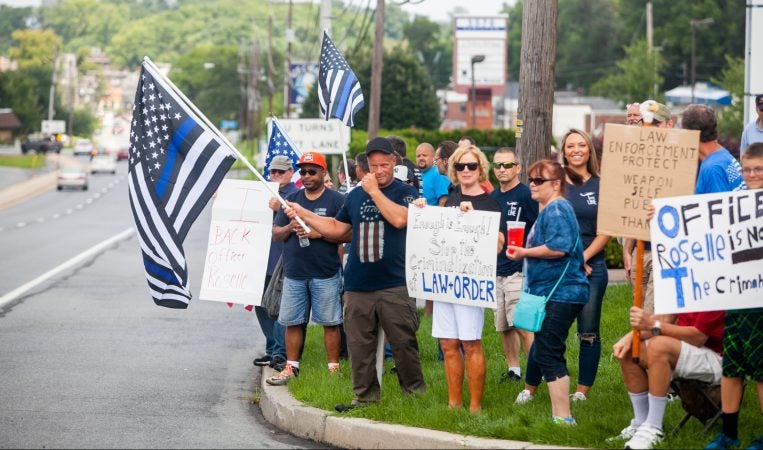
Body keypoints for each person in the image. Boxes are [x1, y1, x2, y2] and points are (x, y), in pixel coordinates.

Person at [609, 104, 740, 450]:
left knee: (655, 343)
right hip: (687, 316)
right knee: (631, 346)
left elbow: (706, 216)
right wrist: (637, 331)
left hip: (714, 349)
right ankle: (640, 422)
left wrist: (651, 327)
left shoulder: (711, 170)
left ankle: (654, 427)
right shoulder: (723, 160)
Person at [284, 136, 426, 411]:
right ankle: (364, 397)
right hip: (358, 283)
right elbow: (339, 229)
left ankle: (415, 397)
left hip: (394, 283)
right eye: (374, 165)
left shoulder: (405, 192)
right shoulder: (356, 195)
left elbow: (399, 219)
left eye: (384, 165)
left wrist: (374, 192)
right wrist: (305, 213)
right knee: (361, 346)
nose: (379, 170)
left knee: (403, 343)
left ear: (394, 163)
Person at [412, 144, 503, 413]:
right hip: (445, 285)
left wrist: (473, 218)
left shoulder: (490, 202)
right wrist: (421, 211)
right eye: (460, 166)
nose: (465, 170)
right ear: (453, 169)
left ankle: (475, 406)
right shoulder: (449, 200)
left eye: (471, 166)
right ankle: (454, 403)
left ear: (480, 169)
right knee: (448, 344)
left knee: (471, 343)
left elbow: (499, 244)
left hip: (470, 285)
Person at [507, 159, 589, 426]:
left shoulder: (556, 209)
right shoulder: (552, 208)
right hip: (555, 293)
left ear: (556, 185)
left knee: (548, 352)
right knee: (546, 350)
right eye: (531, 179)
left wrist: (524, 252)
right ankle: (559, 414)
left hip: (561, 293)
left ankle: (563, 418)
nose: (532, 184)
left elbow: (559, 247)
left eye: (538, 180)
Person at [266, 151, 346, 385]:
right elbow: (276, 235)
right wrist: (291, 226)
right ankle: (291, 367)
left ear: (323, 173)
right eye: (303, 172)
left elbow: (345, 235)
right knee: (292, 321)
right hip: (295, 272)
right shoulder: (291, 200)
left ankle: (333, 368)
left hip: (325, 272)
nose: (307, 176)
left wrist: (317, 233)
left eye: (312, 171)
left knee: (330, 322)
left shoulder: (335, 200)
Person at [704, 142, 763, 450]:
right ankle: (728, 433)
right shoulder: (732, 203)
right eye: (748, 169)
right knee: (733, 366)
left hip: (761, 303)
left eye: (759, 169)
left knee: (762, 370)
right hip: (735, 298)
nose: (752, 174)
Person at [559, 128, 610, 401]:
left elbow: (606, 230)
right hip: (560, 265)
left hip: (593, 267)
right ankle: (555, 380)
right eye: (570, 146)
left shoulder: (601, 185)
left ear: (589, 150)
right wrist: (571, 259)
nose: (576, 150)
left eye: (581, 145)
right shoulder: (556, 183)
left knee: (588, 331)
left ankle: (582, 391)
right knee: (553, 328)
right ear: (563, 151)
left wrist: (583, 258)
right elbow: (550, 224)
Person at [490, 147, 538, 383]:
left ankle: (535, 373)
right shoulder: (493, 198)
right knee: (503, 326)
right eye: (498, 165)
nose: (502, 169)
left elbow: (539, 227)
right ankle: (514, 370)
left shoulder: (526, 195)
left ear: (518, 168)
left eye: (507, 165)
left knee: (521, 323)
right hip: (496, 270)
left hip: (519, 270)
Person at [622, 101, 673, 315]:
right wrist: (627, 249)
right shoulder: (638, 157)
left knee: (652, 315)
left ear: (668, 125)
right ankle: (639, 349)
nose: (650, 128)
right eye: (646, 123)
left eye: (656, 123)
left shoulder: (677, 157)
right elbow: (636, 206)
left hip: (665, 248)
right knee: (638, 313)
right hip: (640, 248)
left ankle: (652, 348)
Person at [253, 155, 297, 372]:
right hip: (259, 258)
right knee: (260, 304)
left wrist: (279, 208)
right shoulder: (263, 191)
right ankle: (271, 348)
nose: (277, 176)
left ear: (291, 172)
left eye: (281, 172)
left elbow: (301, 219)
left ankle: (280, 352)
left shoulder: (295, 194)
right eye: (273, 172)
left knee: (280, 307)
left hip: (282, 260)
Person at [417, 142, 450, 207]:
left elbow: (443, 200)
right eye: (418, 156)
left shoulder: (438, 174)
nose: (421, 158)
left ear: (433, 157)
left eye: (424, 155)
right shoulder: (418, 174)